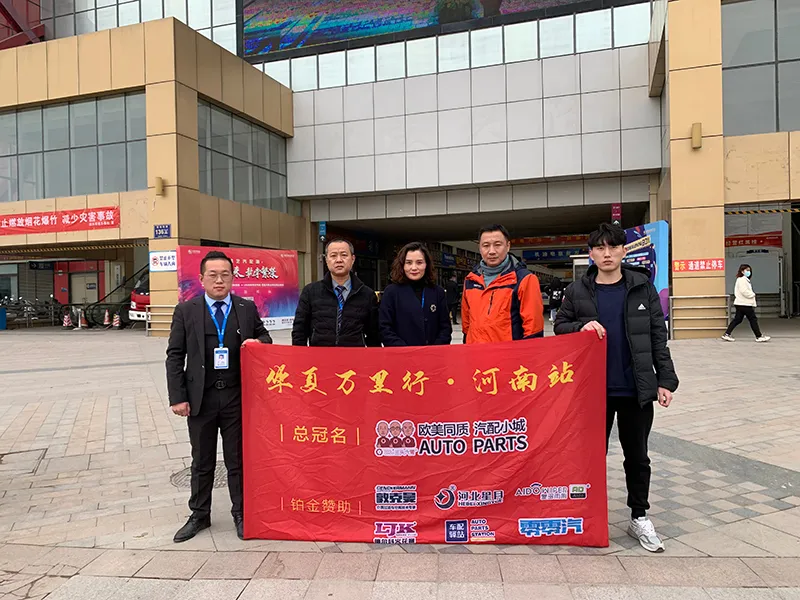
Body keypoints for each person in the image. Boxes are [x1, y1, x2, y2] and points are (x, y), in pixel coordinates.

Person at [554, 223, 679, 553]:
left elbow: (657, 335)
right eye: (600, 248)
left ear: (624, 251)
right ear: (591, 254)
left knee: (637, 457)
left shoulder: (642, 286)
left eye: (613, 247)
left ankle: (639, 516)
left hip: (635, 388)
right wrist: (582, 325)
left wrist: (665, 380)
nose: (607, 254)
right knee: (590, 456)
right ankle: (587, 514)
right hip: (592, 391)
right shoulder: (577, 291)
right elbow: (560, 326)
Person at [166, 250, 273, 543]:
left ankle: (241, 513)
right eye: (212, 275)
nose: (219, 280)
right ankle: (199, 514)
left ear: (233, 278)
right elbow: (175, 355)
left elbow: (266, 337)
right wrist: (178, 397)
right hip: (200, 398)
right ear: (201, 279)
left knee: (237, 460)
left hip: (236, 397)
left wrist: (257, 341)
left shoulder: (245, 308)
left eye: (225, 274)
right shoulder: (186, 310)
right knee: (202, 460)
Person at [462, 224, 544, 344]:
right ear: (479, 248)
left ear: (508, 246)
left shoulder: (524, 279)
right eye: (486, 246)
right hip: (476, 352)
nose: (491, 251)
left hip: (508, 353)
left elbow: (533, 329)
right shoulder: (470, 280)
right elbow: (466, 325)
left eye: (497, 245)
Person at [292, 239, 380, 347]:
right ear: (326, 260)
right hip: (319, 355)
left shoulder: (367, 294)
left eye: (344, 255)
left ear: (353, 259)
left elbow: (374, 335)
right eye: (333, 256)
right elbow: (299, 331)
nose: (339, 260)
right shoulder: (310, 292)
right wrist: (300, 355)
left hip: (354, 355)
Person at [379, 242, 452, 346]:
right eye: (408, 263)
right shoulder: (391, 292)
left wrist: (434, 349)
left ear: (426, 264)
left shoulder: (437, 292)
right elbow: (385, 328)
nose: (414, 268)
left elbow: (445, 328)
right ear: (402, 265)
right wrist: (406, 351)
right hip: (401, 353)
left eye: (419, 262)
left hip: (433, 353)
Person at [722, 264, 770, 343]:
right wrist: (752, 294)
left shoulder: (742, 280)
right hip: (745, 303)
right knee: (752, 319)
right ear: (742, 271)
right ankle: (759, 336)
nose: (749, 272)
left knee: (738, 319)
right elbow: (744, 291)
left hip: (741, 303)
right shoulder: (742, 280)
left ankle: (727, 334)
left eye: (749, 270)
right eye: (747, 270)